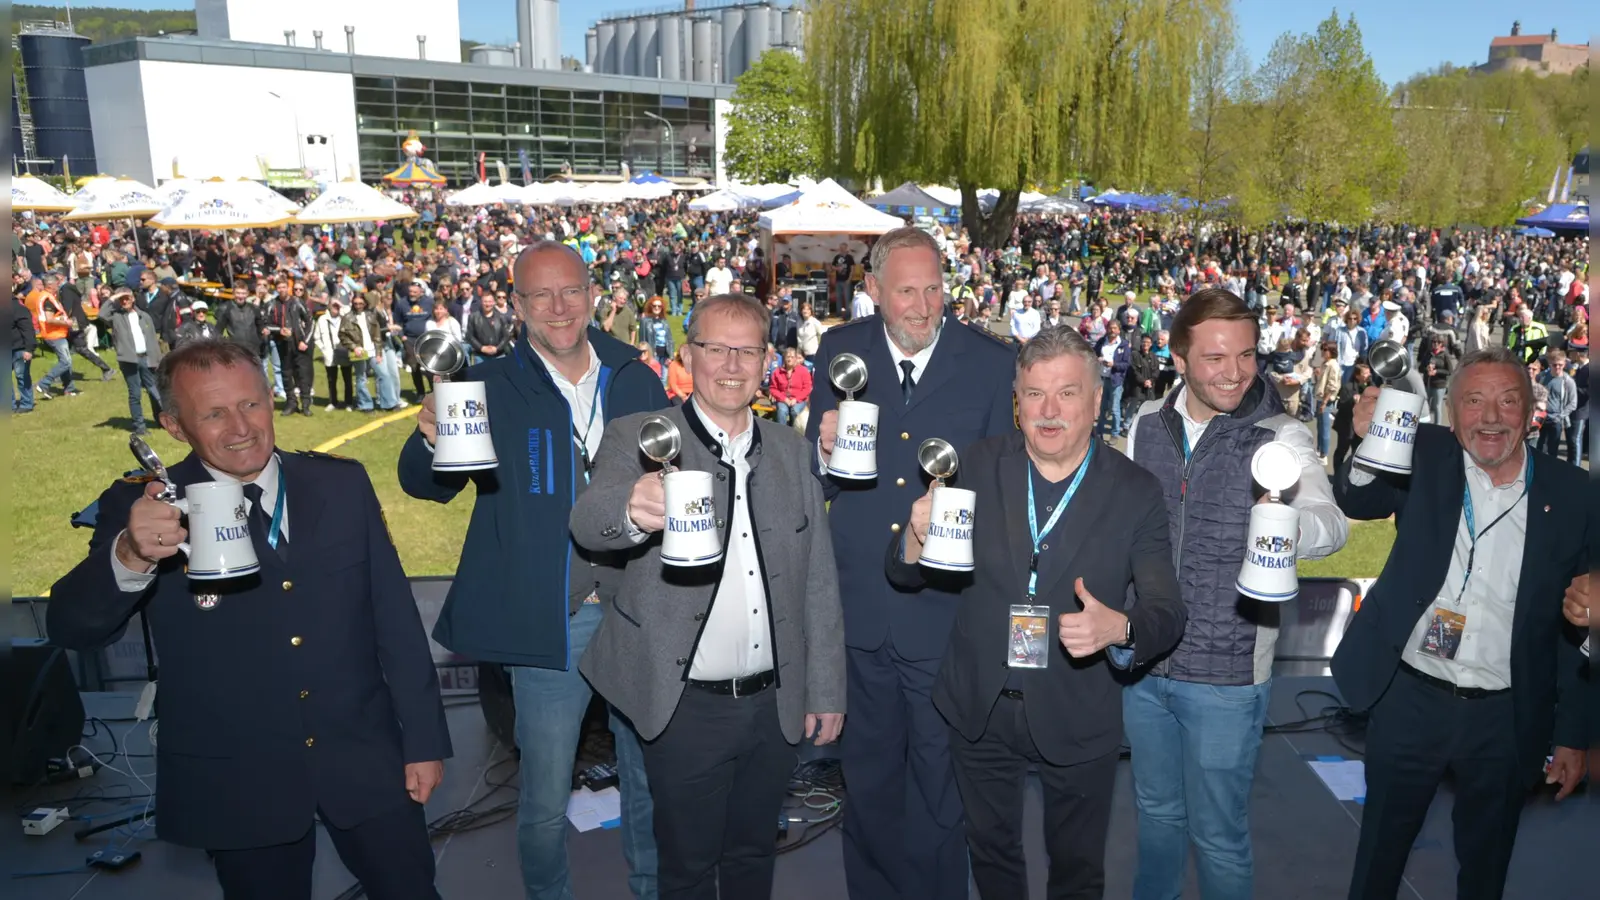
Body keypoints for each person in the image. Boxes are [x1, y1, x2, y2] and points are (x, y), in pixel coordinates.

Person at [48, 339, 451, 900]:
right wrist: (130, 554)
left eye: (251, 405)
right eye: (213, 413)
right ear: (174, 425)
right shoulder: (145, 506)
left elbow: (395, 621)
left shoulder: (340, 483)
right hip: (239, 777)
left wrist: (424, 740)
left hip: (365, 758)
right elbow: (71, 628)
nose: (241, 427)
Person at [397, 242, 665, 900]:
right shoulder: (486, 386)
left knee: (648, 784)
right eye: (540, 295)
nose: (558, 307)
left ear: (593, 293)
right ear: (516, 306)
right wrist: (429, 437)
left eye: (570, 290)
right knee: (544, 799)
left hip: (637, 613)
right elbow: (425, 487)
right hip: (555, 621)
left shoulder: (634, 375)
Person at [889, 326, 1187, 900]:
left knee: (1076, 870)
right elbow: (903, 573)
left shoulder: (1136, 490)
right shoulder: (971, 467)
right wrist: (915, 538)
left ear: (1097, 401)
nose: (1049, 412)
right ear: (1016, 401)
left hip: (1077, 709)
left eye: (1067, 394)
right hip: (977, 702)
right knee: (992, 856)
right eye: (1033, 394)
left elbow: (1167, 611)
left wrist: (1119, 627)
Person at [570, 292, 847, 900]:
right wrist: (634, 511)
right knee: (688, 868)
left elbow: (819, 581)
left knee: (753, 858)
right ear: (688, 355)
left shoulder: (791, 453)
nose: (730, 364)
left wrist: (825, 687)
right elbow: (590, 521)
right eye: (715, 348)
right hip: (684, 707)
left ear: (766, 359)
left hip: (774, 704)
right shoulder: (639, 438)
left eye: (746, 350)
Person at [1332, 346, 1593, 900]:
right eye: (1474, 401)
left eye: (1507, 401)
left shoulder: (1574, 496)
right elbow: (1359, 500)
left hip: (1506, 716)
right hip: (1409, 700)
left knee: (1486, 866)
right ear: (1450, 413)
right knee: (1377, 857)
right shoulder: (1423, 452)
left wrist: (1571, 737)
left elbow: (1578, 632)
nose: (1491, 417)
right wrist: (1363, 439)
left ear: (1530, 411)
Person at [804, 226, 1016, 900]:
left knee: (940, 792)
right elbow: (825, 477)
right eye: (906, 291)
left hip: (945, 620)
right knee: (866, 786)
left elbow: (1008, 494)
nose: (923, 305)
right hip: (860, 613)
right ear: (872, 291)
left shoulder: (990, 363)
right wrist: (821, 450)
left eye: (934, 289)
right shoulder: (839, 352)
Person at [1122, 288, 1348, 900]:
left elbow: (1333, 526)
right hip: (1143, 665)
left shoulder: (1281, 437)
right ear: (1178, 357)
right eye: (1217, 358)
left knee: (1219, 836)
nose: (1236, 372)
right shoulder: (1145, 424)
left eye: (1247, 356)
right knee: (1157, 818)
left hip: (1228, 669)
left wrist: (1283, 525)